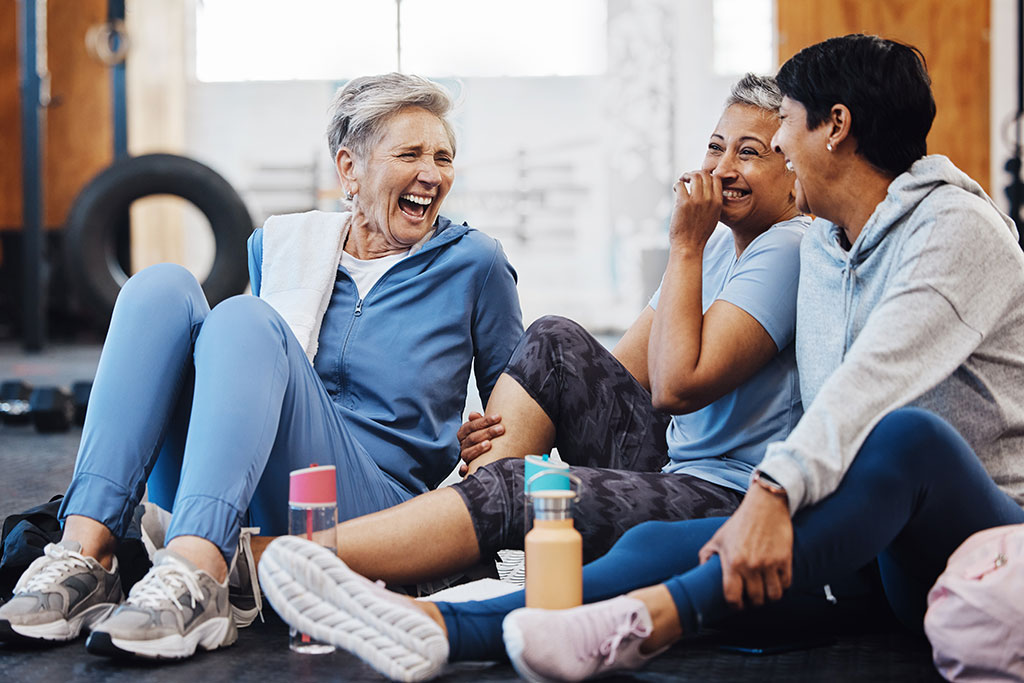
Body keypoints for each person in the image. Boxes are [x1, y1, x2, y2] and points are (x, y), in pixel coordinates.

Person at [255, 35, 1024, 683]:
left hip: (973, 534)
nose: (776, 149)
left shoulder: (956, 231)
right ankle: (438, 621)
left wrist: (771, 495)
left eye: (779, 129)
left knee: (905, 433)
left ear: (835, 128)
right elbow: (631, 379)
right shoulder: (829, 241)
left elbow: (865, 388)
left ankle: (601, 610)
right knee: (650, 540)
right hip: (863, 540)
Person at [0, 73, 523, 661]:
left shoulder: (475, 263)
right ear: (349, 169)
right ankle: (84, 555)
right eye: (410, 154)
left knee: (246, 318)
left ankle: (199, 572)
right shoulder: (280, 246)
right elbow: (242, 381)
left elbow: (523, 405)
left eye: (444, 157)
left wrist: (489, 439)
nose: (433, 173)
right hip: (245, 483)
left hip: (371, 506)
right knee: (160, 287)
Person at [271, 73, 809, 591]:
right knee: (553, 340)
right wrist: (503, 429)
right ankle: (457, 528)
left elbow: (675, 387)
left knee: (522, 490)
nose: (722, 169)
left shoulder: (784, 247)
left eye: (750, 152)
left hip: (729, 491)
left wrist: (684, 244)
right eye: (717, 148)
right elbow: (612, 379)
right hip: (672, 461)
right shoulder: (716, 247)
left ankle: (291, 556)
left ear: (792, 169)